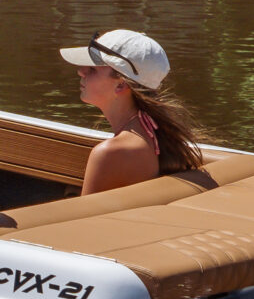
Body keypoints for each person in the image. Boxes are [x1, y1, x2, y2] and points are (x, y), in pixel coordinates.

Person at [60, 28, 205, 194]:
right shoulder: (152, 134)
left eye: (93, 69)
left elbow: (86, 212)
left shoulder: (110, 153)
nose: (81, 71)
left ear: (121, 84)